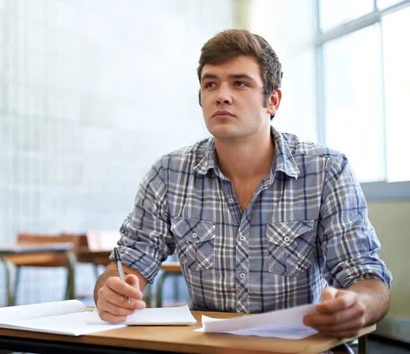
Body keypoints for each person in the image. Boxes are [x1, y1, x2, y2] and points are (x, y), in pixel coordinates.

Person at [93, 29, 392, 338]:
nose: (221, 94)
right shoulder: (168, 174)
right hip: (208, 348)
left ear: (272, 100)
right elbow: (127, 266)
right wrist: (111, 292)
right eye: (210, 84)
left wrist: (356, 304)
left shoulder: (327, 170)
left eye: (240, 83)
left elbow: (367, 278)